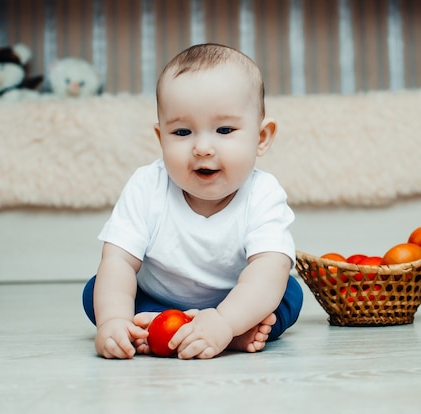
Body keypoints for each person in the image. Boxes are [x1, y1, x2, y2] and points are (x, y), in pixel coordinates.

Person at [82, 43, 303, 360]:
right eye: (182, 132)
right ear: (161, 139)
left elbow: (269, 267)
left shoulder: (263, 193)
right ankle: (150, 325)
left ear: (262, 137)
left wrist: (225, 321)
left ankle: (222, 332)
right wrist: (112, 321)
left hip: (235, 300)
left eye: (224, 129)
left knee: (285, 292)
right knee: (96, 291)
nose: (202, 148)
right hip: (158, 298)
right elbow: (118, 261)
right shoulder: (147, 186)